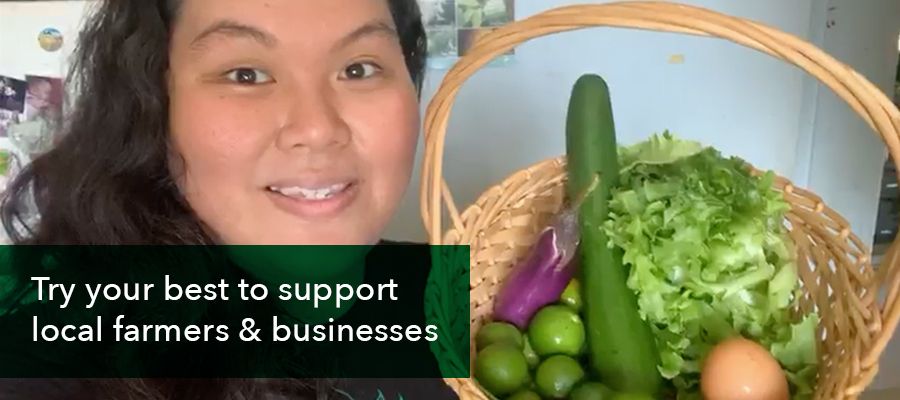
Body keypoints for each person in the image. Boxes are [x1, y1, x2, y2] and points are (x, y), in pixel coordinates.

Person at [0, 1, 459, 399]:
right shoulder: (55, 359)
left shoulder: (476, 299)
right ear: (152, 105)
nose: (318, 129)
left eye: (358, 69)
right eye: (247, 75)